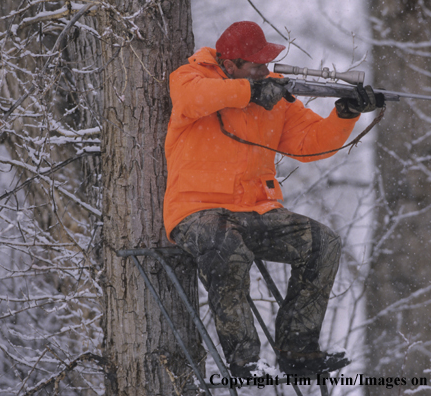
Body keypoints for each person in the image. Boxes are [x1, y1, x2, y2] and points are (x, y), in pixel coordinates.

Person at [164, 21, 383, 377]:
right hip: (195, 210)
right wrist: (249, 92)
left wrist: (345, 116)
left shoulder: (274, 96)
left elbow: (310, 145)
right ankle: (245, 361)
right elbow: (193, 98)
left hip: (256, 210)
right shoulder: (190, 76)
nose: (266, 71)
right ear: (230, 64)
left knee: (323, 243)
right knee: (226, 246)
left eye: (267, 65)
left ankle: (297, 353)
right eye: (257, 65)